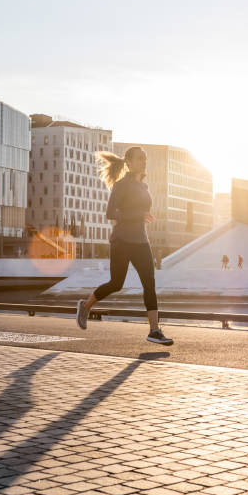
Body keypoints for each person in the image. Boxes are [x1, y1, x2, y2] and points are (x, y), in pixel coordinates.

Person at [76, 146, 173, 346]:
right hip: (121, 241)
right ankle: (85, 306)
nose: (143, 162)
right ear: (128, 162)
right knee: (116, 283)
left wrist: (141, 218)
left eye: (145, 158)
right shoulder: (121, 185)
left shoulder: (144, 187)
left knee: (149, 283)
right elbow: (111, 213)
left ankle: (154, 330)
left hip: (141, 241)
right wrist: (138, 215)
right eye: (139, 159)